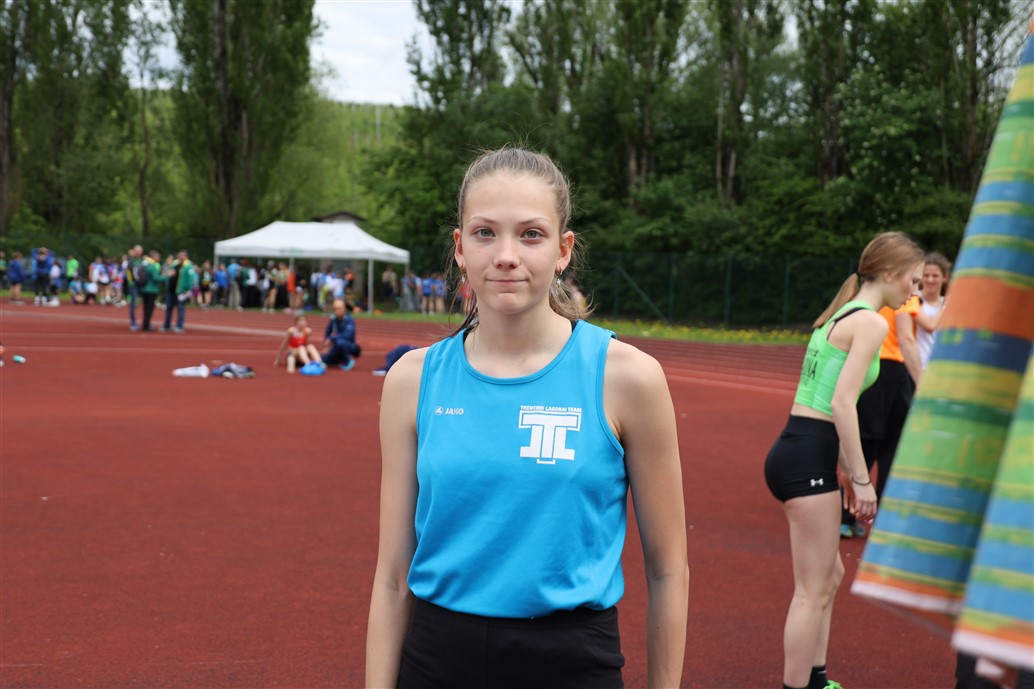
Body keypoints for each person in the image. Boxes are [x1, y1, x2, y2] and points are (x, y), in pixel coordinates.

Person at [366, 147, 689, 689]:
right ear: (460, 248)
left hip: (571, 665)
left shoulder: (628, 378)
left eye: (531, 234)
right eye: (485, 233)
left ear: (564, 250)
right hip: (436, 663)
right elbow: (393, 578)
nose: (506, 255)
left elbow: (668, 570)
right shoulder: (412, 380)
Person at [763, 231, 924, 689]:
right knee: (811, 590)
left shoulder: (840, 313)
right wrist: (862, 478)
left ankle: (817, 679)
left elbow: (821, 403)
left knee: (828, 576)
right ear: (890, 273)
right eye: (912, 280)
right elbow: (841, 403)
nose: (914, 292)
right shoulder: (870, 323)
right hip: (808, 456)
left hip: (800, 448)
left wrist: (845, 470)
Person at [916, 251, 951, 369]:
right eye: (926, 275)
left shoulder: (948, 303)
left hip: (941, 368)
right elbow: (930, 326)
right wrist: (947, 305)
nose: (930, 280)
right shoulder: (912, 299)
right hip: (916, 367)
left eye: (935, 276)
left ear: (945, 277)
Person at [321, 298, 359, 370]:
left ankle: (348, 361)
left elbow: (347, 335)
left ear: (344, 309)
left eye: (339, 309)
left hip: (349, 345)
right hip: (337, 346)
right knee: (323, 359)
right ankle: (339, 359)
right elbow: (328, 330)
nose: (336, 311)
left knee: (339, 342)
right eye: (335, 309)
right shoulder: (334, 319)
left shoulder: (349, 320)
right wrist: (326, 342)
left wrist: (331, 339)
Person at [162, 250, 195, 333]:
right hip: (170, 290)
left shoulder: (188, 266)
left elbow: (191, 279)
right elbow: (168, 273)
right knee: (168, 308)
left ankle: (179, 326)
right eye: (179, 255)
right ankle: (167, 325)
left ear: (185, 256)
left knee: (180, 308)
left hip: (180, 291)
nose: (179, 256)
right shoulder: (174, 264)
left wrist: (187, 289)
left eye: (182, 255)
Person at [139, 250, 163, 331]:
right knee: (149, 308)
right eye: (158, 257)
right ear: (154, 257)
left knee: (146, 308)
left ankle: (145, 323)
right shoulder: (152, 266)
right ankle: (146, 324)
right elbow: (156, 278)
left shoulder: (144, 263)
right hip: (152, 289)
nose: (159, 258)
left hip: (144, 288)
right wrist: (166, 276)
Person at [125, 245, 144, 331]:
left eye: (140, 251)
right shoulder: (130, 261)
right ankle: (133, 323)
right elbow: (128, 272)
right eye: (136, 251)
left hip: (143, 285)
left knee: (146, 303)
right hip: (134, 285)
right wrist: (130, 281)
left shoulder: (143, 261)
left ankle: (145, 322)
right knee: (133, 303)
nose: (138, 253)